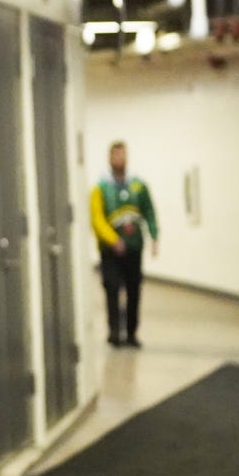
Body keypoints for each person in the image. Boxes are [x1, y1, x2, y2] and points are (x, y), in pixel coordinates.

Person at [90, 140, 159, 348]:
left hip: (134, 247)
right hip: (110, 250)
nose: (120, 159)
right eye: (116, 155)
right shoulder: (100, 188)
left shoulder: (138, 186)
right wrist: (113, 240)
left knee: (133, 290)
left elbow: (149, 211)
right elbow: (97, 218)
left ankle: (131, 333)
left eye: (123, 155)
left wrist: (154, 236)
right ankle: (114, 332)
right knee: (112, 289)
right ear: (109, 158)